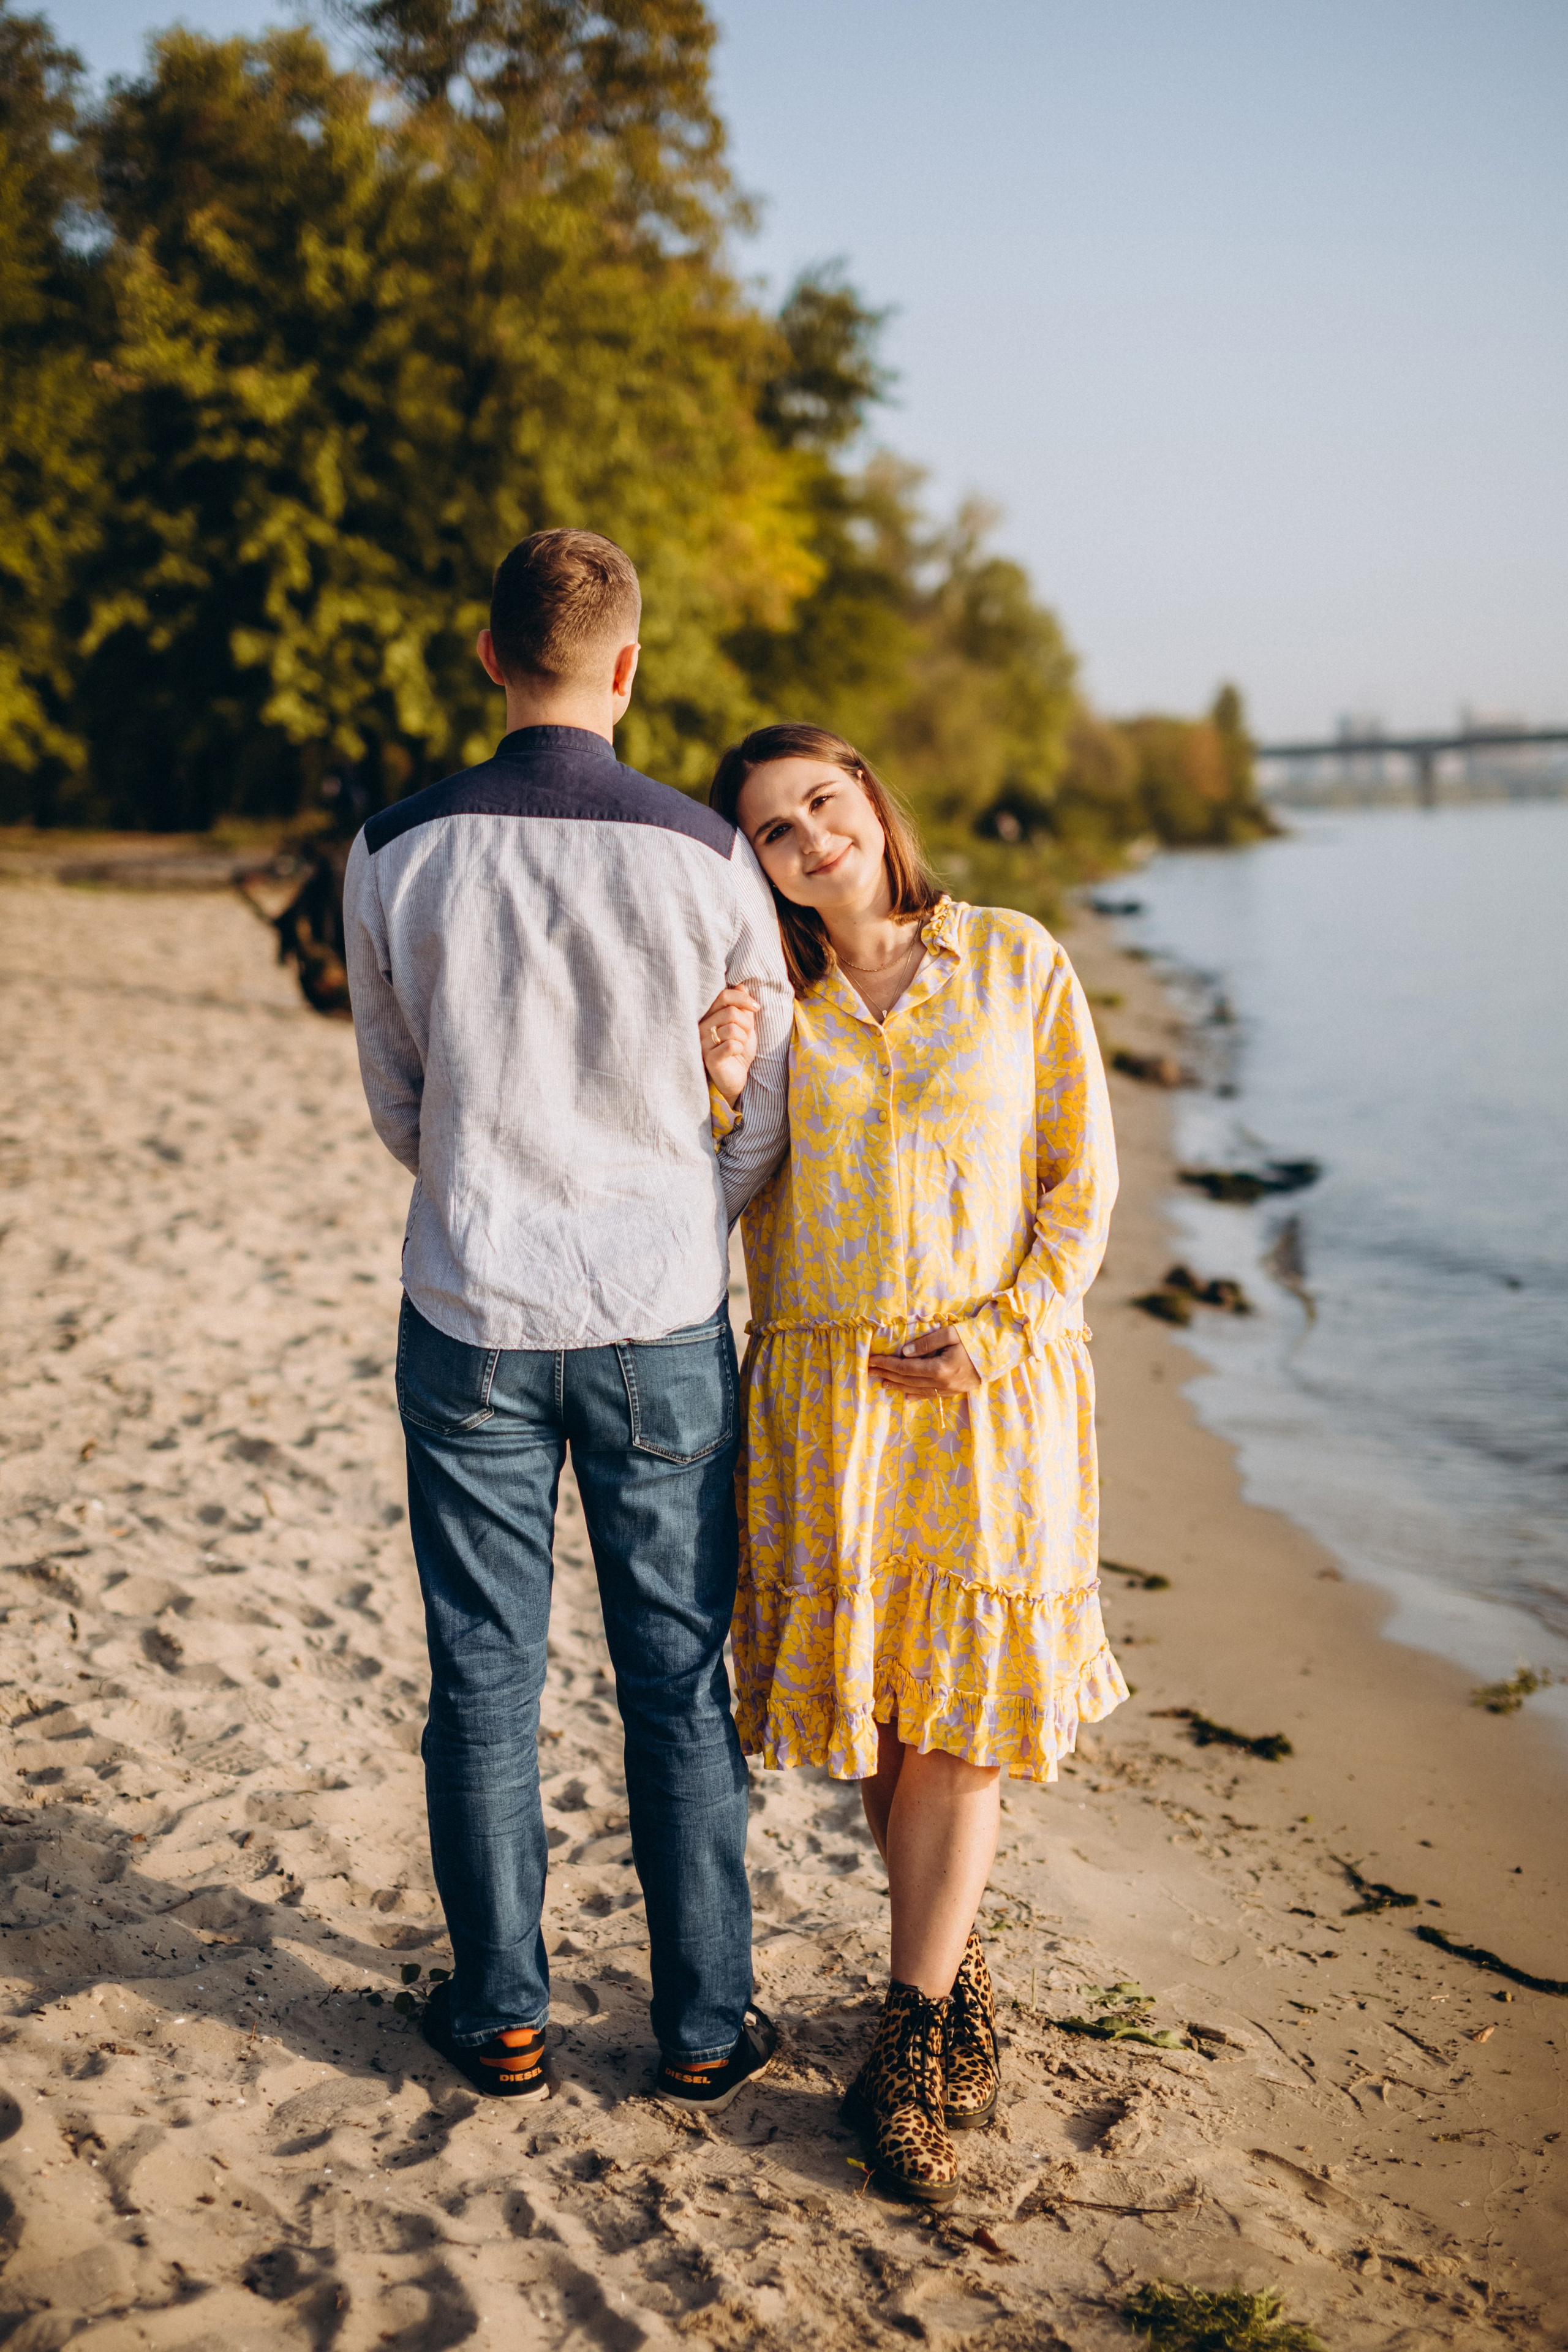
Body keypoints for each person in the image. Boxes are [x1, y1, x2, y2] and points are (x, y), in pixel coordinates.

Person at [344, 530, 791, 2111]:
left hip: (470, 1304)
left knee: (482, 1671)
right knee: (671, 1673)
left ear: (486, 660)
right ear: (628, 668)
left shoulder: (393, 849)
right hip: (659, 1315)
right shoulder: (707, 857)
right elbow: (762, 1109)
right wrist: (685, 1201)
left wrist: (491, 1171)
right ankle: (702, 2023)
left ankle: (503, 2013)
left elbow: (401, 1103)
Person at [701, 723, 1127, 2202]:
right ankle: (952, 1977)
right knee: (885, 1731)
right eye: (769, 828)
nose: (807, 835)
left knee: (953, 1723)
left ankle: (905, 2045)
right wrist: (707, 1078)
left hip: (985, 1400)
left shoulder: (1012, 960)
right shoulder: (771, 1009)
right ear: (752, 865)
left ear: (873, 803)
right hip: (828, 1411)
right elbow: (711, 1181)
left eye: (822, 801)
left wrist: (1001, 1332)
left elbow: (1082, 1178)